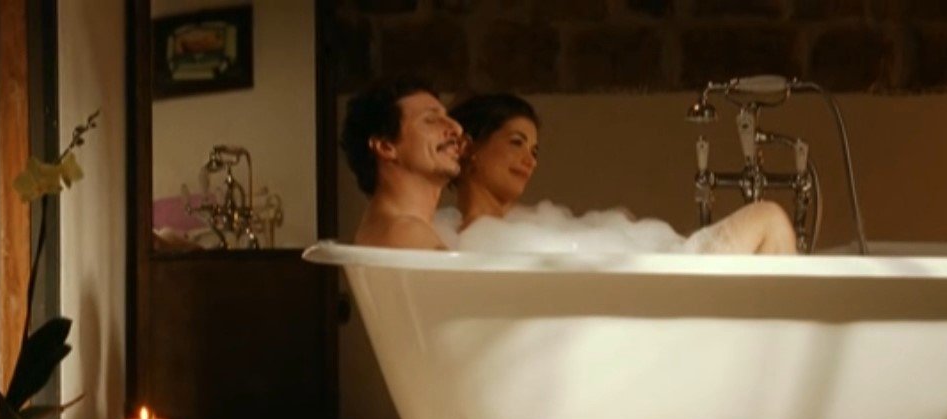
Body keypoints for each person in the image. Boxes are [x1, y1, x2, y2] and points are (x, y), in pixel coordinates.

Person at [447, 93, 798, 255]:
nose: (530, 161)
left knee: (769, 220)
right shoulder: (477, 240)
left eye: (535, 151)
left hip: (655, 277)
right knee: (767, 217)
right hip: (656, 292)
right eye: (516, 143)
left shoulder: (521, 229)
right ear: (471, 147)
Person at [340, 76, 465, 249]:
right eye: (431, 120)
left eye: (448, 117)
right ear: (386, 147)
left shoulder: (404, 228)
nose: (457, 128)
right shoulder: (404, 233)